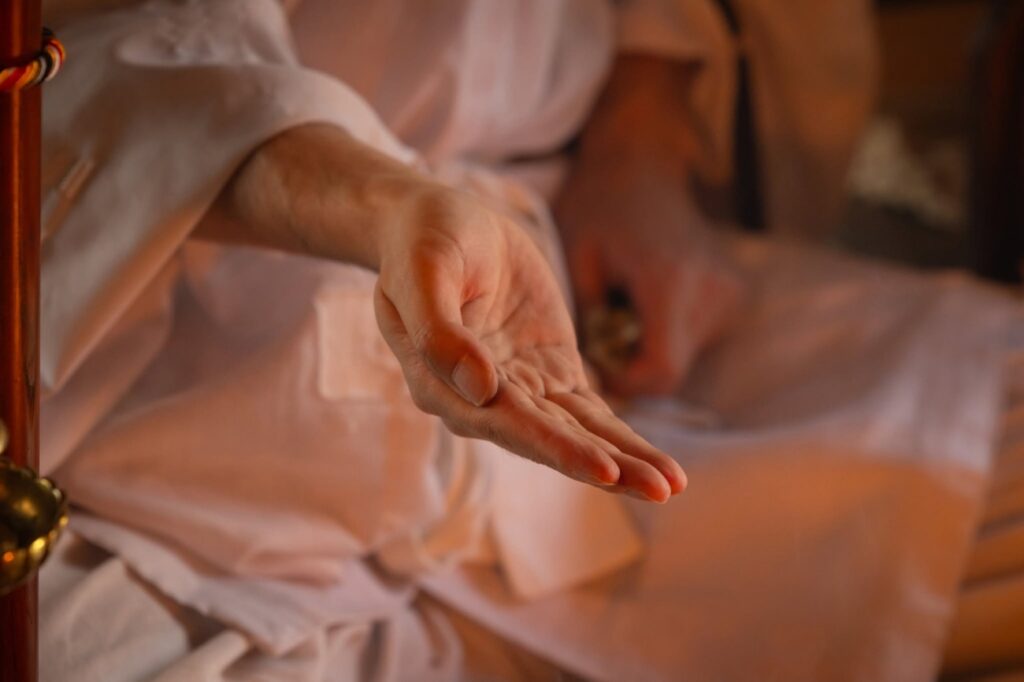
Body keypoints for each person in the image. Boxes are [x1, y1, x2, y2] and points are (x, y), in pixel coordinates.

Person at [39, 1, 1013, 681]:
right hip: (162, 448)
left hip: (572, 294)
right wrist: (392, 210)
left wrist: (640, 142)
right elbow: (111, 76)